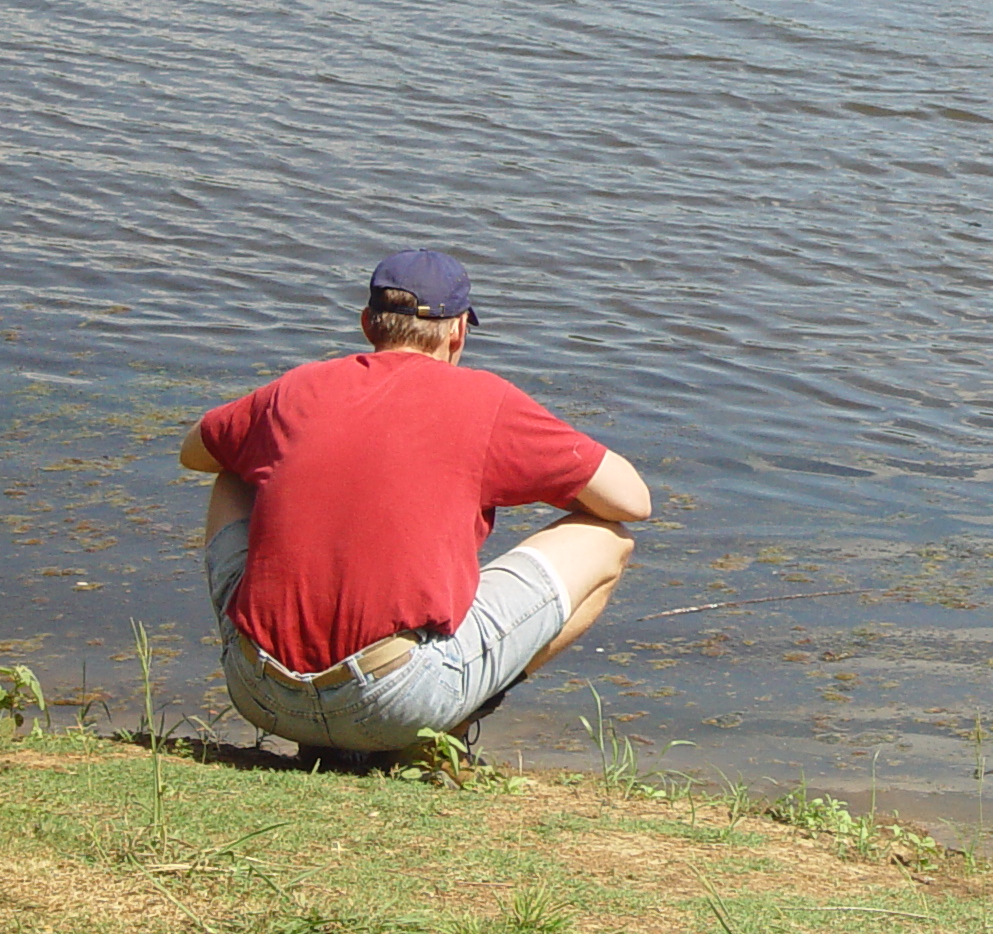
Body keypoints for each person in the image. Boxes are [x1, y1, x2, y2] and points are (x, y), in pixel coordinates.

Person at [179, 249, 650, 757]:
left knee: (233, 468)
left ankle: (313, 707)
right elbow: (632, 500)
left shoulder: (296, 387)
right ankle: (447, 726)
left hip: (261, 692)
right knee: (607, 541)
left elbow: (195, 453)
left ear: (367, 324)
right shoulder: (485, 401)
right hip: (395, 702)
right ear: (458, 333)